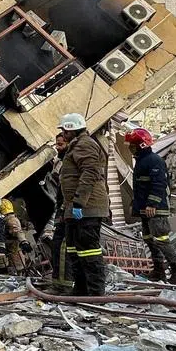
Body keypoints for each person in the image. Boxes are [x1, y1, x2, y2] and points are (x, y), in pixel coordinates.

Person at [57, 113, 110, 296]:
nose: (63, 134)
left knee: (89, 250)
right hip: (75, 207)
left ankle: (96, 293)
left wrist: (79, 202)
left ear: (71, 129)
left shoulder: (85, 144)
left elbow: (90, 173)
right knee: (74, 248)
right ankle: (81, 289)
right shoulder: (76, 145)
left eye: (64, 130)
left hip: (87, 207)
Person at [125, 127, 176, 285]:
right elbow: (141, 187)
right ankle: (159, 270)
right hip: (146, 209)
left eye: (132, 145)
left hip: (155, 209)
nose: (130, 148)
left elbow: (158, 184)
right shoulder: (142, 161)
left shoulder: (154, 161)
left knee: (161, 239)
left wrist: (152, 204)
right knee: (149, 239)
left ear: (141, 145)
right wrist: (136, 205)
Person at [0, 199, 33, 273]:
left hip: (14, 251)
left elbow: (18, 231)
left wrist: (24, 241)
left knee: (18, 272)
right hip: (14, 251)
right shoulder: (11, 219)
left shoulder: (11, 220)